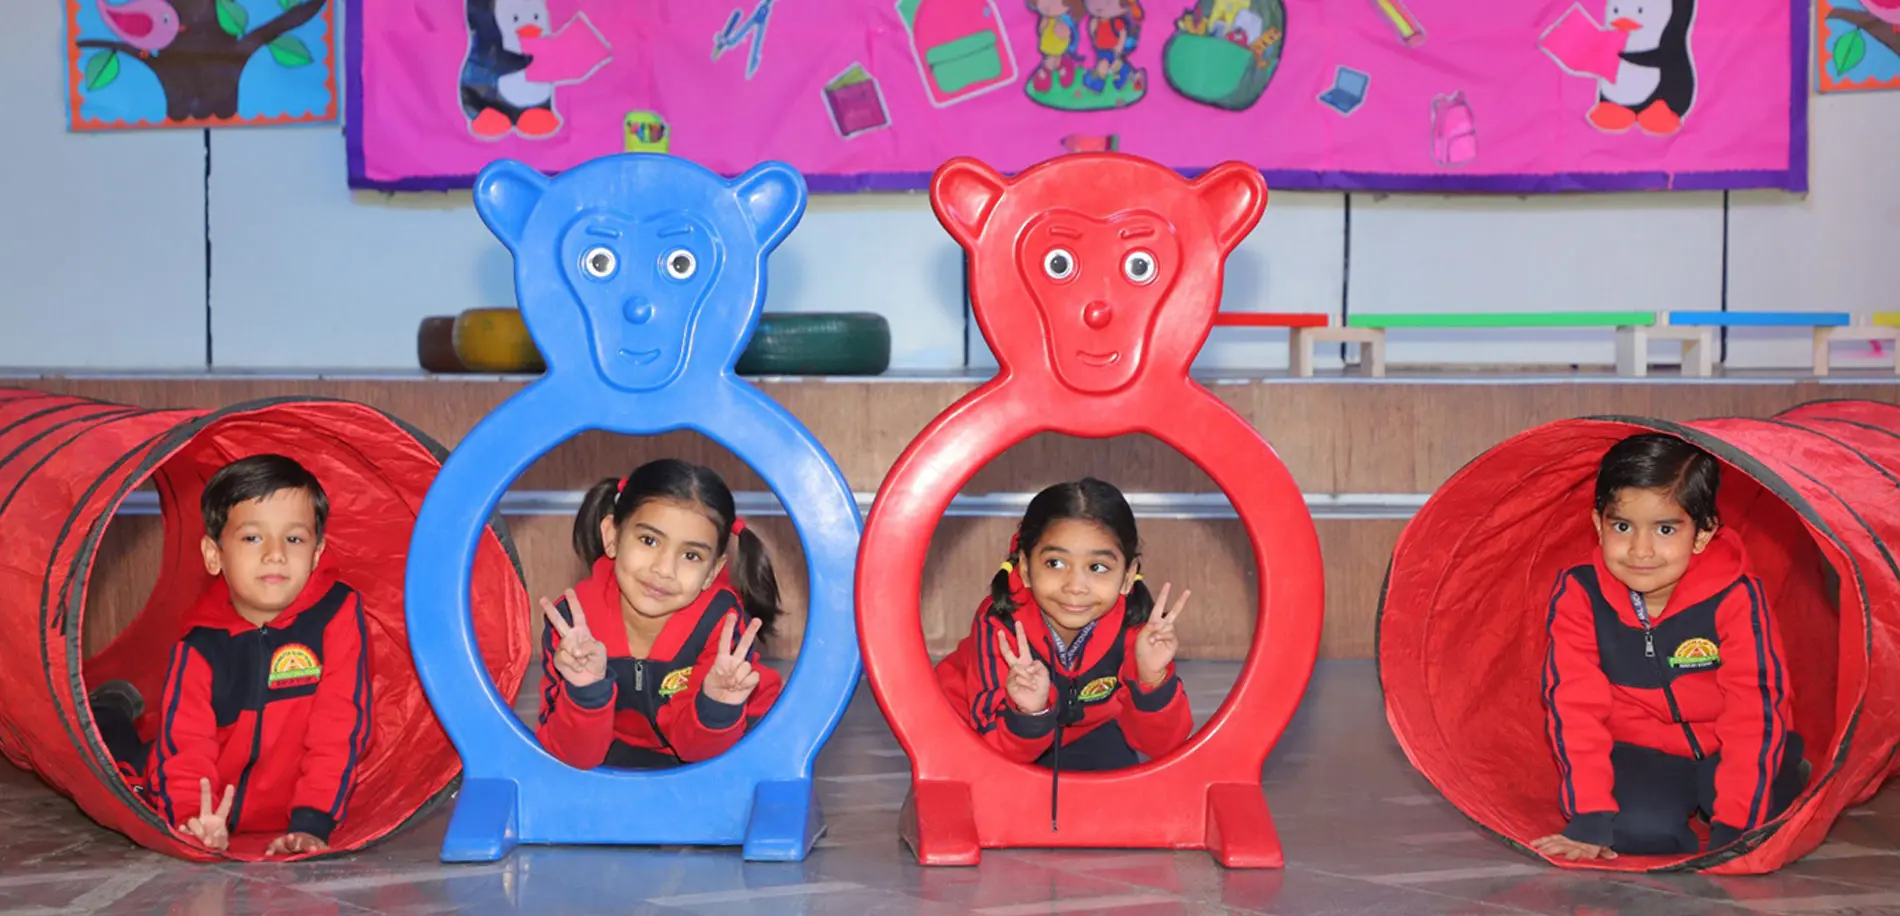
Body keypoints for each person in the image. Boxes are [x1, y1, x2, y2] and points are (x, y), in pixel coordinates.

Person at [1533, 434, 1810, 861]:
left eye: (1665, 529)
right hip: (1645, 751)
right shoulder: (1581, 593)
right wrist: (1589, 819)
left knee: (1761, 814)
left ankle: (1781, 777)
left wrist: (1735, 832)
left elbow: (1754, 707)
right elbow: (1573, 706)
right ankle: (1678, 807)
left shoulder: (1735, 595)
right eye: (1622, 527)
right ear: (1598, 525)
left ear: (1702, 534)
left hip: (1730, 746)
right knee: (1636, 834)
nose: (1640, 551)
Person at [88, 454, 370, 856]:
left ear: (317, 553)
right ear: (213, 555)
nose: (275, 554)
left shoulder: (336, 614)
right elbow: (184, 748)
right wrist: (194, 819)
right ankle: (108, 710)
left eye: (294, 539)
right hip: (208, 796)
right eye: (253, 538)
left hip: (289, 805)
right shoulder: (201, 645)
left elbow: (340, 727)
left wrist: (312, 822)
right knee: (127, 765)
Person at [935, 477, 1193, 791]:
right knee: (1003, 798)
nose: (1075, 587)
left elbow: (1164, 746)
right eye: (1055, 563)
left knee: (1120, 796)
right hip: (986, 730)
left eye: (1097, 567)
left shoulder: (1136, 627)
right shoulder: (1001, 623)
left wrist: (1153, 679)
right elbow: (994, 745)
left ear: (1128, 576)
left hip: (1083, 730)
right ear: (1025, 568)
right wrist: (1029, 711)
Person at [536, 458, 785, 769]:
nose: (664, 570)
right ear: (612, 536)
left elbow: (698, 753)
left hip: (724, 738)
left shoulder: (721, 623)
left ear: (712, 572)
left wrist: (717, 706)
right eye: (649, 540)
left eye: (691, 555)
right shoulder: (572, 625)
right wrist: (586, 691)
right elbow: (571, 757)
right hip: (627, 748)